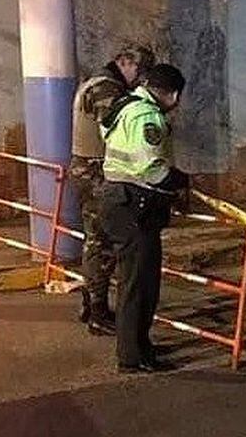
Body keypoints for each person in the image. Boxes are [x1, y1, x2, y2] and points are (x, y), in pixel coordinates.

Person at [99, 63, 189, 373]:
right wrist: (177, 181)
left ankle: (138, 344)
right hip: (133, 204)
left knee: (133, 282)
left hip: (119, 200)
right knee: (140, 285)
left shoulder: (124, 106)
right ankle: (133, 356)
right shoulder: (147, 116)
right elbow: (150, 168)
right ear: (173, 94)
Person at [71, 45, 156, 335]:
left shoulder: (95, 82)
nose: (141, 80)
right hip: (96, 173)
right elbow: (117, 132)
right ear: (125, 62)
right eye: (140, 72)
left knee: (95, 240)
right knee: (102, 242)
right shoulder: (107, 89)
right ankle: (97, 311)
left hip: (90, 169)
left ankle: (90, 303)